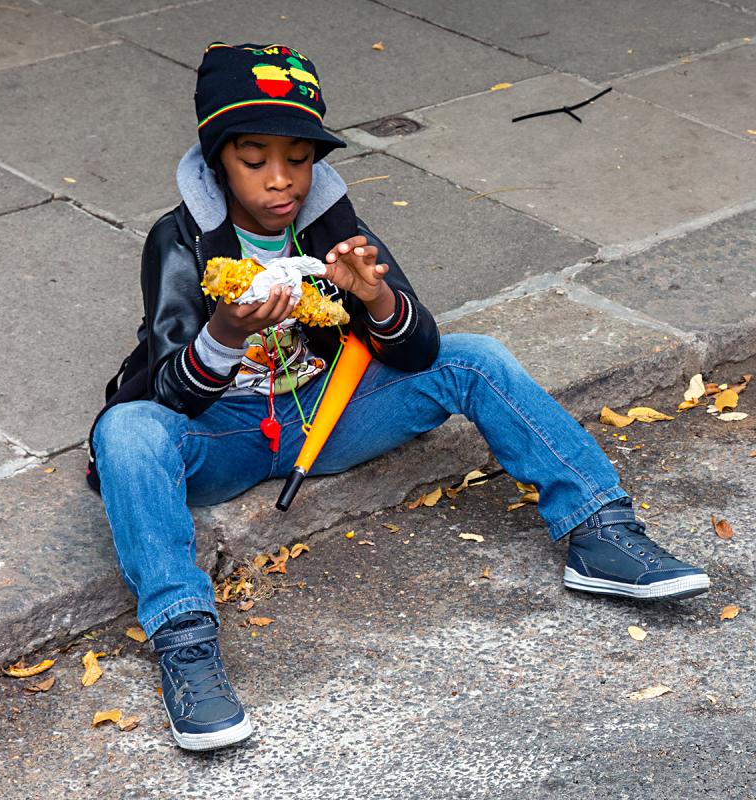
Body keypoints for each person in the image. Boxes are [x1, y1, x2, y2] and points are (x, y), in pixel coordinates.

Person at [87, 41, 709, 752]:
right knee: (126, 432)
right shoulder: (179, 239)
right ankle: (186, 644)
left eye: (299, 158)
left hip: (326, 414)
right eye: (254, 160)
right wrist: (226, 332)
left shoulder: (329, 221)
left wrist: (377, 298)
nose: (281, 180)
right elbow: (171, 391)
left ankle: (599, 529)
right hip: (221, 432)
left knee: (475, 357)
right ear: (218, 159)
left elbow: (420, 352)